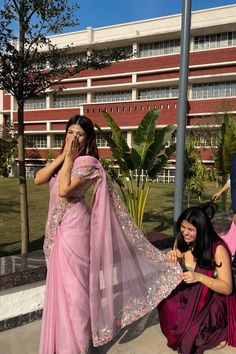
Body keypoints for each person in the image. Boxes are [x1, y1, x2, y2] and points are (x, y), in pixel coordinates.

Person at [35, 114, 182, 354]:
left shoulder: (88, 163)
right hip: (61, 231)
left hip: (76, 232)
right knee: (60, 291)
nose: (74, 137)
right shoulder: (66, 161)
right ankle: (58, 344)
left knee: (76, 293)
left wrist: (70, 157)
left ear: (87, 139)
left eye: (79, 134)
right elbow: (39, 179)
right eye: (70, 132)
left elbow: (63, 190)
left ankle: (77, 348)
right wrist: (63, 156)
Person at [158, 202, 236, 354]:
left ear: (202, 230)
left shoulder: (217, 249)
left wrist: (199, 277)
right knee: (166, 304)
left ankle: (218, 333)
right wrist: (171, 259)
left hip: (212, 298)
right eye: (182, 227)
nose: (185, 233)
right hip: (191, 291)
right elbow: (176, 270)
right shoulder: (181, 241)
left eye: (191, 230)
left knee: (194, 335)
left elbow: (227, 288)